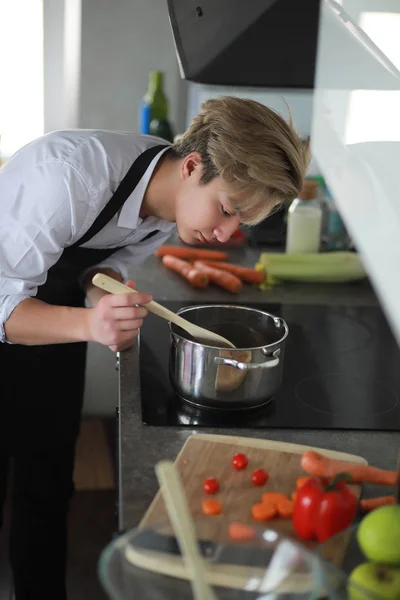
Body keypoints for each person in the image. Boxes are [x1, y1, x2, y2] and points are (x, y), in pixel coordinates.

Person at [0, 95, 309, 599]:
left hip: (58, 322)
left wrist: (104, 294)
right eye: (227, 209)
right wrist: (90, 324)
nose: (226, 233)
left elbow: (102, 267)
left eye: (241, 224)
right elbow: (2, 302)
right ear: (192, 166)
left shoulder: (170, 200)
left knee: (48, 482)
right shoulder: (69, 181)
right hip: (14, 309)